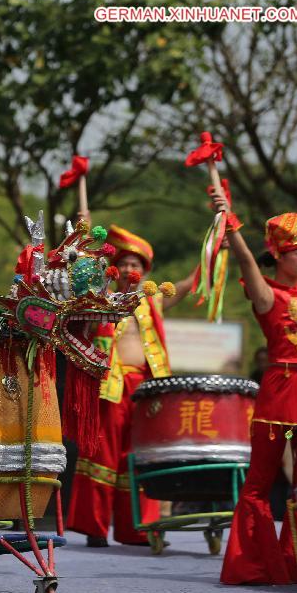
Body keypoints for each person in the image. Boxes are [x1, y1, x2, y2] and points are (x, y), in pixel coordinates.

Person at [209, 189, 297, 585]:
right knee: (260, 480)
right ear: (279, 255)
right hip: (282, 387)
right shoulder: (267, 295)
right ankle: (251, 565)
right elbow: (243, 261)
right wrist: (231, 224)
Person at [67, 222, 196, 547]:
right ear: (115, 268)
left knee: (139, 457)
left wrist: (215, 251)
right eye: (124, 263)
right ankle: (95, 527)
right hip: (111, 385)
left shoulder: (152, 302)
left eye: (135, 264)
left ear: (145, 270)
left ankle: (139, 528)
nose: (129, 269)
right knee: (103, 455)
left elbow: (187, 285)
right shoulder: (101, 299)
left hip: (145, 390)